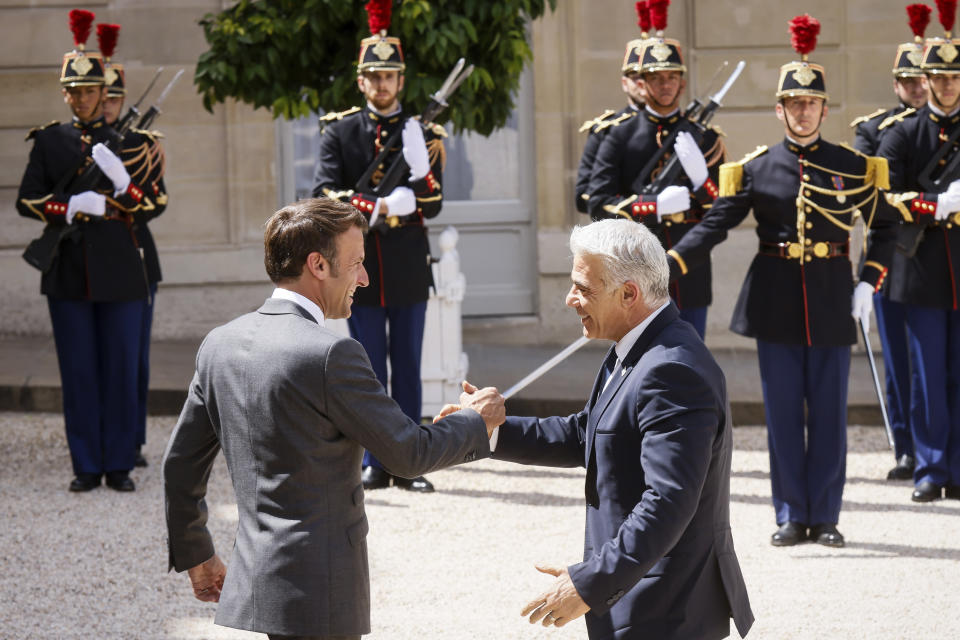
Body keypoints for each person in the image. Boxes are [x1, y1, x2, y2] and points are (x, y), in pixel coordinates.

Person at [162, 198, 504, 640]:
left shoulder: (219, 344)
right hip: (320, 587)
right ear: (318, 265)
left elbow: (180, 465)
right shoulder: (331, 354)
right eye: (357, 263)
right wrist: (477, 421)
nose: (364, 278)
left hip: (256, 577)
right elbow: (408, 453)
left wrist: (197, 553)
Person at [441, 219, 752, 639]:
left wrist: (588, 582)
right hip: (634, 594)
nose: (570, 299)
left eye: (583, 289)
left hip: (665, 608)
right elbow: (587, 433)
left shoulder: (671, 369)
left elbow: (668, 502)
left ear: (629, 294)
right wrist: (489, 430)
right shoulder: (633, 345)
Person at [663, 15, 896, 547]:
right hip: (775, 300)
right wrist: (672, 262)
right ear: (780, 110)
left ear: (824, 109)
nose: (803, 111)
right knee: (784, 413)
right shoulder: (756, 168)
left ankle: (828, 517)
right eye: (793, 103)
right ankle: (791, 513)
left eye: (811, 103)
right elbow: (715, 225)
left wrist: (869, 281)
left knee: (831, 414)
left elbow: (884, 226)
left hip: (834, 295)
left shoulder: (853, 167)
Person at [16, 9, 155, 493]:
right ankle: (85, 464)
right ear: (65, 93)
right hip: (68, 269)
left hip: (120, 267)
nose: (82, 98)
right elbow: (26, 199)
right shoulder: (50, 140)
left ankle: (118, 464)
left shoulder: (133, 141)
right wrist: (68, 205)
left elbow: (153, 203)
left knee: (119, 368)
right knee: (79, 372)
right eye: (73, 91)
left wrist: (121, 183)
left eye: (89, 90)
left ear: (104, 91)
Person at [312, 4, 445, 492]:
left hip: (408, 264)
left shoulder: (420, 133)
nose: (382, 84)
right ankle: (373, 459)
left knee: (408, 364)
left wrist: (419, 174)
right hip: (356, 266)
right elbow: (324, 192)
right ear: (361, 81)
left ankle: (409, 460)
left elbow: (432, 203)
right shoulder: (340, 130)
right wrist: (383, 204)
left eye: (390, 75)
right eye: (374, 75)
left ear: (401, 81)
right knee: (366, 366)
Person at [587, 3, 725, 339]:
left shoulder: (706, 138)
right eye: (656, 77)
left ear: (682, 83)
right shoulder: (619, 134)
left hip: (689, 269)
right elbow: (597, 203)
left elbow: (722, 211)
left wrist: (702, 180)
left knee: (690, 363)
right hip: (634, 271)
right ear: (642, 82)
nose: (665, 85)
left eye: (672, 77)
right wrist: (655, 207)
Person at [876, 4, 960, 503]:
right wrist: (934, 204)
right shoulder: (904, 133)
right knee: (927, 374)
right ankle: (930, 467)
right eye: (939, 77)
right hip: (922, 266)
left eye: (954, 77)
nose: (947, 86)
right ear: (923, 79)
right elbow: (885, 196)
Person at [849, 3, 931, 481]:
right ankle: (906, 445)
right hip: (895, 255)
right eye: (910, 82)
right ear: (897, 84)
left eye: (926, 80)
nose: (919, 88)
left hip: (944, 256)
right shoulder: (873, 129)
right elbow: (865, 190)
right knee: (899, 358)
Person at [98, 22, 169, 468]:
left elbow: (156, 203)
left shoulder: (141, 145)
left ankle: (132, 439)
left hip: (134, 252)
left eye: (112, 98)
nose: (105, 106)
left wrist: (124, 185)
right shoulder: (72, 140)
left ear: (122, 100)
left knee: (133, 358)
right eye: (98, 98)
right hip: (86, 255)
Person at [573, 1, 649, 214]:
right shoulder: (607, 129)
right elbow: (583, 196)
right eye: (636, 78)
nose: (643, 85)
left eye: (651, 78)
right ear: (625, 83)